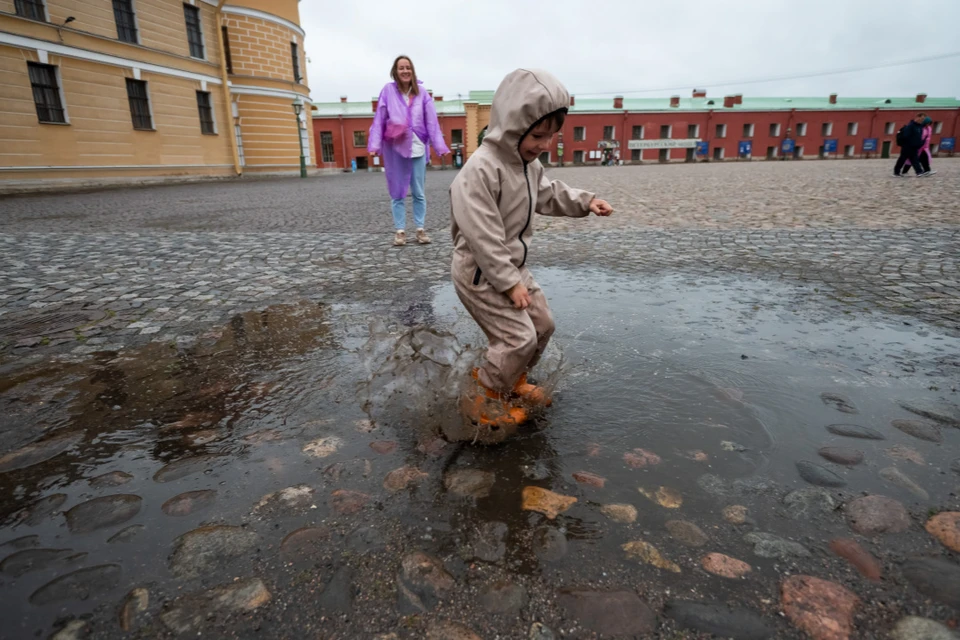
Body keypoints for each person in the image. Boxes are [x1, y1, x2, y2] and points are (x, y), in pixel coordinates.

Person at [450, 68, 614, 432]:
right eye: (537, 135)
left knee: (543, 325)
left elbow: (548, 193)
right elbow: (482, 236)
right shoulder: (479, 171)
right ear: (512, 125)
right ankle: (484, 395)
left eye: (551, 136)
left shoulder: (528, 165)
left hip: (510, 267)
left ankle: (514, 379)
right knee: (517, 337)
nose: (544, 144)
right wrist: (509, 283)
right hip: (480, 272)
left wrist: (585, 202)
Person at [368, 56, 450, 246]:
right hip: (396, 148)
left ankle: (420, 229)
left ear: (412, 71)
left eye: (408, 68)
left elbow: (432, 122)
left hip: (418, 148)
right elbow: (379, 118)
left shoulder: (422, 94)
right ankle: (400, 231)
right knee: (397, 192)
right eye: (401, 68)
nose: (405, 71)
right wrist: (374, 146)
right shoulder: (388, 91)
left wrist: (440, 146)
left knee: (419, 193)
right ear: (395, 71)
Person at [893, 112, 927, 177]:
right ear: (917, 117)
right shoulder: (910, 126)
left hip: (914, 147)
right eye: (922, 119)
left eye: (923, 120)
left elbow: (918, 136)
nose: (922, 121)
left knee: (915, 160)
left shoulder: (920, 127)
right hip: (907, 146)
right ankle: (896, 172)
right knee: (902, 159)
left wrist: (920, 143)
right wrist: (911, 142)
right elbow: (906, 136)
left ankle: (919, 172)